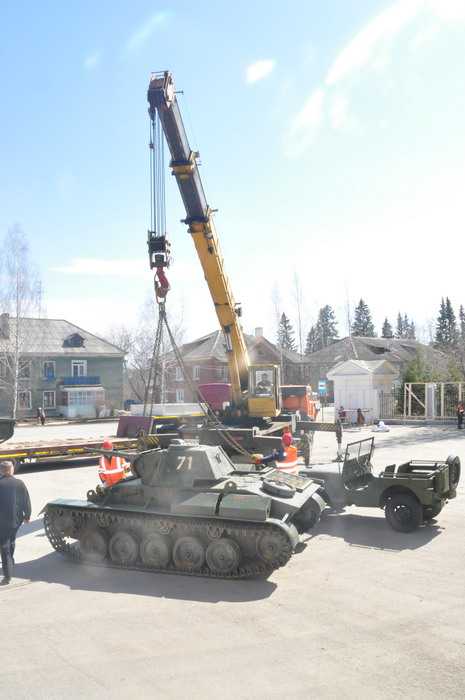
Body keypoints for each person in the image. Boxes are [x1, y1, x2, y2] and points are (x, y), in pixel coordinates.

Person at [0, 461, 31, 585]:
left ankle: (7, 574)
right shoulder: (19, 483)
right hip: (16, 520)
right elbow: (26, 500)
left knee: (4, 546)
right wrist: (27, 515)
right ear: (11, 470)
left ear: (2, 471)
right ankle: (10, 563)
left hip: (2, 521)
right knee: (11, 541)